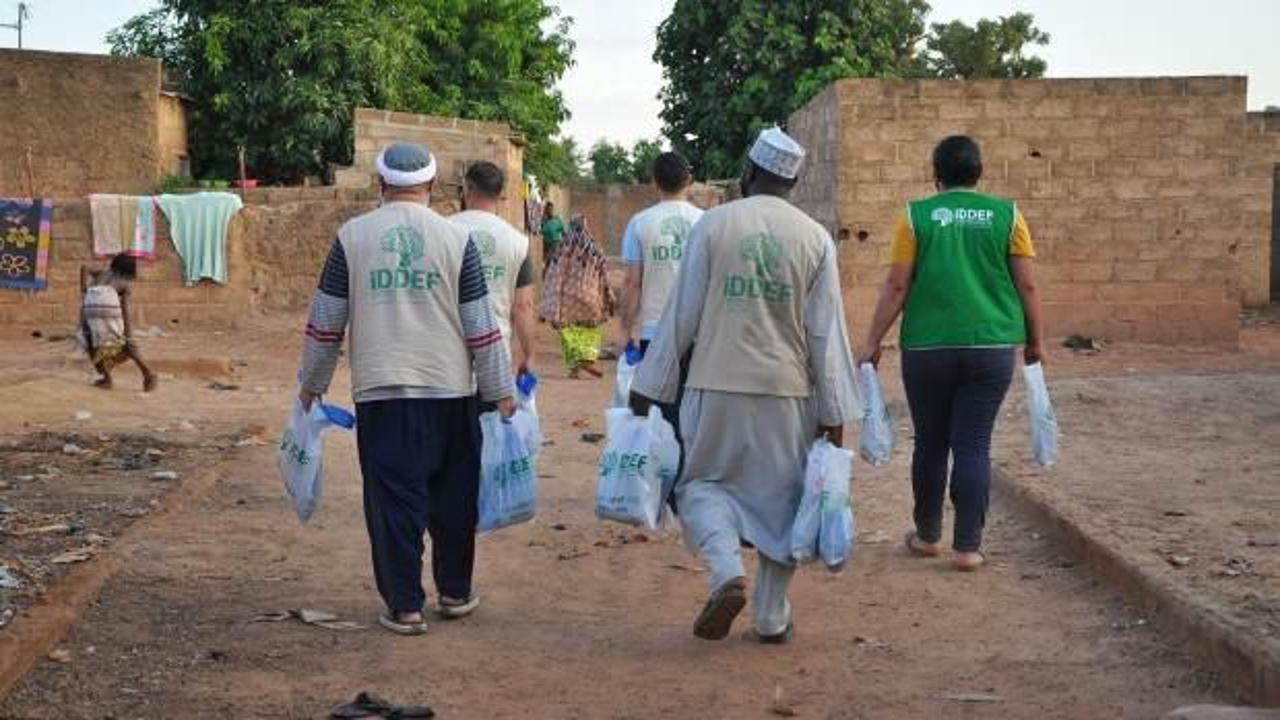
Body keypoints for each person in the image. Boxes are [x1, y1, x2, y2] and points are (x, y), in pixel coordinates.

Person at [629, 127, 858, 643]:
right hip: (788, 393)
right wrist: (835, 413)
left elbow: (679, 318)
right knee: (782, 498)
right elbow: (826, 333)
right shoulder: (815, 238)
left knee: (700, 485)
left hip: (713, 387)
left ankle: (726, 570)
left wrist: (649, 387)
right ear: (792, 183)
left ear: (750, 172)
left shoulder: (713, 226)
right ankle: (772, 615)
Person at [297, 142, 516, 636]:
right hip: (451, 390)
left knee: (394, 499)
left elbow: (326, 320)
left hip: (383, 391)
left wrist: (312, 384)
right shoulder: (456, 239)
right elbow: (482, 325)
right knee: (454, 496)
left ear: (380, 186)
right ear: (433, 188)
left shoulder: (351, 237)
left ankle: (406, 606)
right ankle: (456, 592)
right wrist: (501, 389)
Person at [856, 134, 1045, 572]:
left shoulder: (915, 217)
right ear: (979, 173)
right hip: (992, 346)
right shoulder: (1009, 215)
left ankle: (927, 536)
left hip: (927, 348)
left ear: (935, 175)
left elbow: (897, 286)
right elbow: (1028, 285)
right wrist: (1036, 341)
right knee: (974, 445)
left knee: (931, 443)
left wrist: (872, 341)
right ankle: (967, 548)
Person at [451, 161, 537, 374]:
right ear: (500, 194)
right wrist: (529, 355)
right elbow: (523, 306)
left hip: (448, 353)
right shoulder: (517, 242)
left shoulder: (443, 230)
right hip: (495, 353)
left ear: (467, 189)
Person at [540, 215, 614, 379]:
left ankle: (577, 364)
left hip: (566, 297)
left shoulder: (561, 247)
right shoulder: (594, 248)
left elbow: (553, 273)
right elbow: (604, 275)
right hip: (589, 296)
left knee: (568, 330)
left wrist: (549, 298)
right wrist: (609, 297)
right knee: (590, 330)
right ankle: (583, 362)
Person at [79, 253, 158, 392]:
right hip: (108, 307)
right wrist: (128, 332)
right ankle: (147, 372)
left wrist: (84, 289)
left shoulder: (101, 273)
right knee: (124, 341)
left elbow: (84, 267)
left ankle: (107, 379)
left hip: (90, 306)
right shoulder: (124, 283)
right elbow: (125, 310)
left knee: (93, 344)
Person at [540, 201, 565, 265]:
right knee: (547, 262)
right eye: (547, 209)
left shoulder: (557, 219)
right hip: (546, 245)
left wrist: (564, 244)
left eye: (550, 209)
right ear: (545, 210)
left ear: (553, 209)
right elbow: (540, 231)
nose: (549, 211)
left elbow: (563, 231)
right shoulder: (543, 221)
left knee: (554, 263)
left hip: (556, 244)